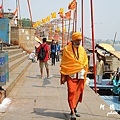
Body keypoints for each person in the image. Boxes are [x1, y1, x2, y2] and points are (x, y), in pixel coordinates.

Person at [60, 32, 88, 119]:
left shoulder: (82, 50)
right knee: (71, 92)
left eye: (79, 40)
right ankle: (72, 112)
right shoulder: (67, 49)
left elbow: (85, 61)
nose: (78, 42)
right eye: (77, 40)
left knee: (78, 93)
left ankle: (74, 109)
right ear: (73, 40)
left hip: (80, 75)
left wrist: (83, 67)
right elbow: (64, 62)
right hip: (71, 75)